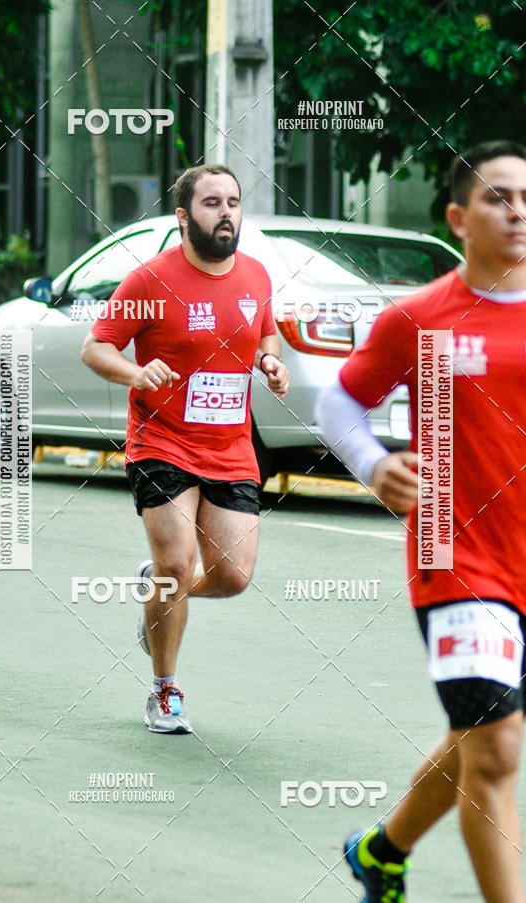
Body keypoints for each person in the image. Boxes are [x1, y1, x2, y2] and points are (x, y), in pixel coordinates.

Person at [316, 141, 526, 903]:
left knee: (478, 740)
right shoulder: (421, 317)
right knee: (498, 751)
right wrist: (373, 464)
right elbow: (339, 401)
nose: (518, 210)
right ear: (459, 218)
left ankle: (381, 850)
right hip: (457, 557)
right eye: (499, 197)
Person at [81, 164, 289, 734]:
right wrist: (134, 371)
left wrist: (269, 361)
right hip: (162, 441)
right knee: (178, 564)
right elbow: (96, 348)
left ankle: (158, 594)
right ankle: (164, 690)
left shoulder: (255, 276)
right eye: (211, 203)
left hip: (230, 447)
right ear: (183, 216)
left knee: (232, 576)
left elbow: (264, 331)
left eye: (234, 202)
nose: (226, 213)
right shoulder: (149, 280)